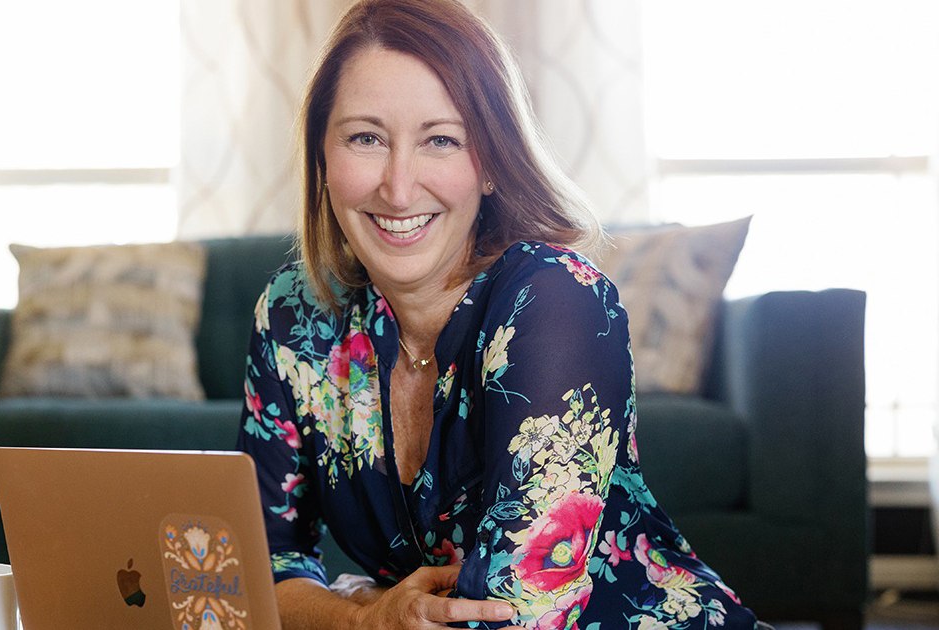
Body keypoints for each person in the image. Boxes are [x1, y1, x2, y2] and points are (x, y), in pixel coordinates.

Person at [237, 0, 762, 628]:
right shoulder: (295, 314)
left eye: (441, 140)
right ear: (322, 159)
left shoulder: (555, 301)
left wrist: (360, 602)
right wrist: (360, 619)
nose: (398, 187)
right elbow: (250, 571)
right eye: (366, 138)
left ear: (490, 165)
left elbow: (512, 613)